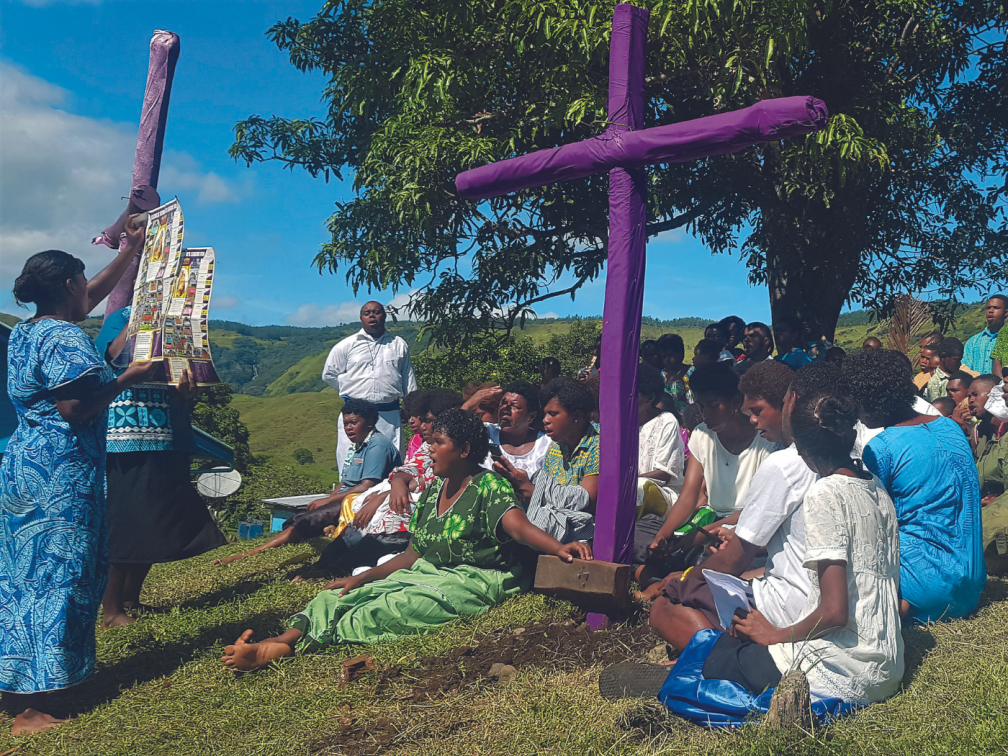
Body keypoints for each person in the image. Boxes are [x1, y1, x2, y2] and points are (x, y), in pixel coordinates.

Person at [605, 386, 904, 714]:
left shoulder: (825, 495)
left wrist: (776, 634)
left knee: (718, 663)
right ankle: (690, 668)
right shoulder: (874, 487)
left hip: (842, 665)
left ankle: (677, 678)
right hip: (888, 663)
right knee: (727, 646)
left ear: (801, 447)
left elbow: (834, 612)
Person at [220, 409, 592, 671]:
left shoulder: (488, 486)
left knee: (390, 609)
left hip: (476, 578)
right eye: (429, 442)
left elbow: (518, 527)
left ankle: (298, 646)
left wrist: (560, 547)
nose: (428, 449)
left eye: (438, 442)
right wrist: (360, 578)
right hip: (427, 569)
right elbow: (415, 552)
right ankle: (283, 640)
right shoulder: (434, 491)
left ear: (463, 450)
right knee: (335, 595)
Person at [1, 237, 159, 735]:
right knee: (60, 580)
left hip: (23, 468)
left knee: (20, 579)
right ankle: (35, 706)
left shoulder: (28, 332)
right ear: (69, 286)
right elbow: (75, 409)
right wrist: (128, 377)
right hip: (59, 474)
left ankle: (14, 687)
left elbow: (89, 298)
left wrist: (131, 251)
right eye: (81, 282)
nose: (86, 293)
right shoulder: (66, 338)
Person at [648, 361, 825, 648]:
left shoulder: (779, 459)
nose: (753, 420)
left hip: (779, 592)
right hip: (784, 575)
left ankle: (725, 656)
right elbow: (690, 498)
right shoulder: (839, 465)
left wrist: (685, 579)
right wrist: (666, 537)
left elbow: (738, 556)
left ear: (789, 403)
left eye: (756, 411)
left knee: (665, 608)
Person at [96, 307, 225, 629]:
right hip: (129, 435)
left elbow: (184, 379)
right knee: (126, 521)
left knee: (157, 518)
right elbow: (111, 356)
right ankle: (110, 609)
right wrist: (143, 313)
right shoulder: (121, 316)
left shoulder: (181, 321)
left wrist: (188, 391)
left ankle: (130, 598)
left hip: (169, 433)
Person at [844, 349, 986, 623]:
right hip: (972, 584)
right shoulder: (951, 428)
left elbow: (873, 526)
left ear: (869, 399)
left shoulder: (881, 448)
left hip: (922, 592)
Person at [218, 399, 401, 564]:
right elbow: (345, 481)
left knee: (307, 521)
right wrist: (329, 498)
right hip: (344, 498)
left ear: (369, 424)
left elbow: (366, 486)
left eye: (354, 423)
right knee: (298, 518)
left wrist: (328, 502)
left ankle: (253, 552)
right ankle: (326, 527)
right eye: (346, 423)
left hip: (358, 500)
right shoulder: (359, 445)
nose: (348, 428)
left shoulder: (377, 445)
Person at [648, 363, 777, 550]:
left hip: (749, 525)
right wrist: (662, 536)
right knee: (645, 535)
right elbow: (688, 497)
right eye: (701, 406)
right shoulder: (701, 435)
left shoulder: (766, 440)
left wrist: (702, 534)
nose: (706, 414)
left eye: (713, 406)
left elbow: (756, 509)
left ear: (735, 402)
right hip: (711, 520)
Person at [493, 379, 599, 543]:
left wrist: (532, 490)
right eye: (545, 413)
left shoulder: (599, 445)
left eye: (553, 414)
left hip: (589, 533)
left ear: (577, 416)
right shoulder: (555, 449)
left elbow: (587, 502)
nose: (545, 420)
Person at [322, 301, 417, 465]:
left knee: (390, 462)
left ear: (385, 316)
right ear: (361, 318)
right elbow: (329, 374)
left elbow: (408, 378)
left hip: (388, 414)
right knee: (352, 461)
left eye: (377, 312)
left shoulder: (398, 344)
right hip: (355, 415)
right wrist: (350, 388)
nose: (372, 316)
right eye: (367, 313)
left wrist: (412, 409)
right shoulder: (346, 345)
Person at [634, 365, 687, 560]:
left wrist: (629, 480)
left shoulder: (667, 421)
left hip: (663, 495)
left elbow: (664, 474)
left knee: (640, 486)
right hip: (632, 490)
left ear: (649, 397)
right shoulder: (625, 422)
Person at [483, 382, 551, 475]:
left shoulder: (547, 445)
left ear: (531, 417)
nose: (505, 409)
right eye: (503, 403)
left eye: (515, 406)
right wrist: (473, 401)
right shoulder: (486, 433)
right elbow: (458, 428)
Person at [968, 375, 1007, 504]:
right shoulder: (979, 430)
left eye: (975, 394)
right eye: (969, 396)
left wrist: (997, 500)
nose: (970, 400)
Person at [962, 295, 1007, 374]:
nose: (991, 311)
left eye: (996, 308)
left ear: (1006, 312)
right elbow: (965, 368)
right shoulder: (973, 341)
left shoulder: (1005, 340)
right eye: (988, 308)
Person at [925, 337, 965, 402]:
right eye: (956, 360)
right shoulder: (935, 382)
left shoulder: (961, 377)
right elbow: (935, 408)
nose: (959, 364)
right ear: (944, 357)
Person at [657, 333, 690, 409]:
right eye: (663, 357)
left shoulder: (692, 373)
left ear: (681, 353)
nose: (667, 360)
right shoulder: (659, 377)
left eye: (670, 355)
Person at [402, 389, 428, 462]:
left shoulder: (435, 441)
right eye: (408, 416)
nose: (411, 421)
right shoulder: (414, 439)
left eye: (415, 415)